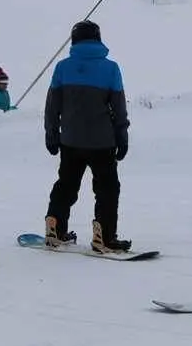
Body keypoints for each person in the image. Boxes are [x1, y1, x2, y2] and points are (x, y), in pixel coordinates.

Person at [43, 19, 132, 253]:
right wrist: (122, 137)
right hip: (102, 143)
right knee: (107, 189)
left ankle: (55, 227)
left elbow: (52, 106)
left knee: (66, 185)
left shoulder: (62, 68)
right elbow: (119, 108)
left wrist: (52, 134)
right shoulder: (111, 68)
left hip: (70, 141)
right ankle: (104, 236)